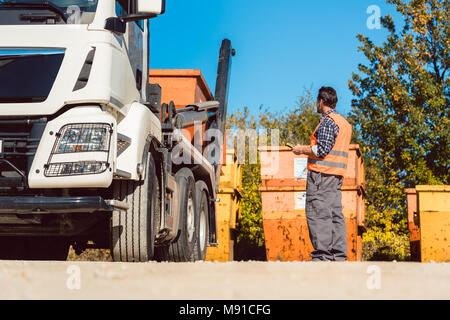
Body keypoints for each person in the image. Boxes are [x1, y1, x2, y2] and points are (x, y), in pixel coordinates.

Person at [292, 87, 352, 261]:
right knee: (335, 215)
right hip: (335, 176)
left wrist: (301, 149)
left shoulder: (327, 121)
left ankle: (322, 257)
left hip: (321, 176)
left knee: (318, 213)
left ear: (321, 101)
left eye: (316, 101)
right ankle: (338, 257)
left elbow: (322, 150)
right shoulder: (344, 123)